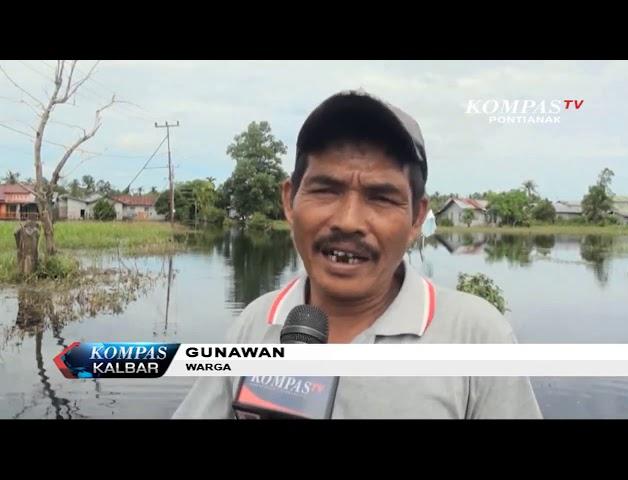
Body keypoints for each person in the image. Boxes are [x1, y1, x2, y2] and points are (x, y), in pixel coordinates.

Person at [173, 90, 542, 419]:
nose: (348, 221)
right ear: (289, 200)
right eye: (326, 189)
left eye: (381, 197)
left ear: (416, 217)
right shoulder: (255, 325)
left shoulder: (476, 337)